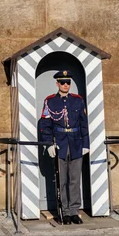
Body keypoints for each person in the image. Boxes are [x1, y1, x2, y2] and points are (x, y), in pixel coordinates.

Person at [40, 70, 89, 225]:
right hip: (59, 143)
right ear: (57, 84)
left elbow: (83, 123)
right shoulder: (50, 101)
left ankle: (75, 211)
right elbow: (45, 125)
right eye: (62, 82)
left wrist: (86, 144)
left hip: (76, 143)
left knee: (75, 179)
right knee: (62, 179)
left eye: (68, 82)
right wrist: (48, 144)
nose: (66, 85)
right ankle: (65, 212)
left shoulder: (78, 100)